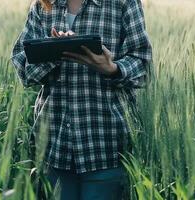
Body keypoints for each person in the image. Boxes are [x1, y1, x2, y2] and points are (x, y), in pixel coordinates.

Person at [10, 0, 152, 199]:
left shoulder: (123, 3)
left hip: (105, 145)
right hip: (55, 147)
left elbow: (143, 65)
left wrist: (112, 69)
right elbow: (23, 69)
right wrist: (55, 51)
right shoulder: (43, 5)